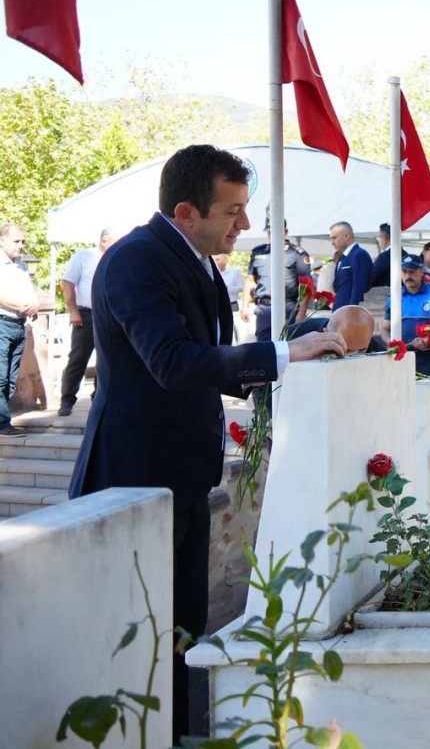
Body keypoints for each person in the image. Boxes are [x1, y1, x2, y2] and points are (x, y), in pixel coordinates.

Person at [65, 145, 347, 742]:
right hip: (134, 480)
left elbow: (211, 358)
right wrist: (283, 353)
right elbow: (173, 362)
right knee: (139, 643)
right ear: (187, 211)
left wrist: (300, 351)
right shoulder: (136, 261)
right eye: (233, 210)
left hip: (183, 478)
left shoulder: (194, 257)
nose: (244, 223)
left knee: (182, 636)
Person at [57, 229, 115, 416]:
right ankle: (67, 400)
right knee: (78, 358)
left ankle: (99, 398)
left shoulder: (118, 257)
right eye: (114, 241)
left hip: (109, 315)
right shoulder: (83, 256)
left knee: (106, 358)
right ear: (104, 241)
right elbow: (68, 283)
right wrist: (73, 310)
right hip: (86, 314)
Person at [384, 254, 430, 376]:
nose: (408, 276)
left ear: (421, 271)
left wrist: (429, 341)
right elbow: (384, 328)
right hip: (400, 357)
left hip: (426, 357)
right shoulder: (393, 297)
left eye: (412, 272)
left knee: (424, 387)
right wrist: (392, 343)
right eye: (404, 272)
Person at [244, 222, 311, 341]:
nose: (272, 234)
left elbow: (306, 285)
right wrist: (245, 306)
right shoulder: (259, 252)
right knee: (263, 346)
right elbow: (250, 280)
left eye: (276, 231)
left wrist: (301, 313)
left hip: (288, 308)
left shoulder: (297, 254)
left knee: (288, 345)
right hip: (264, 309)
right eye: (269, 232)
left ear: (285, 232)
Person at [0, 223, 36, 436]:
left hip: (18, 325)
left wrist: (34, 305)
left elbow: (29, 291)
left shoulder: (21, 265)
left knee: (11, 378)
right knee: (0, 377)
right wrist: (21, 306)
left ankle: (2, 419)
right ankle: (3, 423)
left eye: (23, 241)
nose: (21, 245)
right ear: (2, 240)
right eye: (16, 241)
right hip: (2, 323)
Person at [330, 221, 372, 309]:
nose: (332, 242)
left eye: (334, 238)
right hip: (341, 309)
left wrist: (351, 311)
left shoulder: (359, 255)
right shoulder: (344, 257)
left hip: (349, 311)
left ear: (346, 236)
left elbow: (359, 287)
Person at [370, 223, 392, 289]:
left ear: (384, 239)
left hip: (386, 293)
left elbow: (371, 278)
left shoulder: (384, 257)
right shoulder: (405, 254)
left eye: (379, 237)